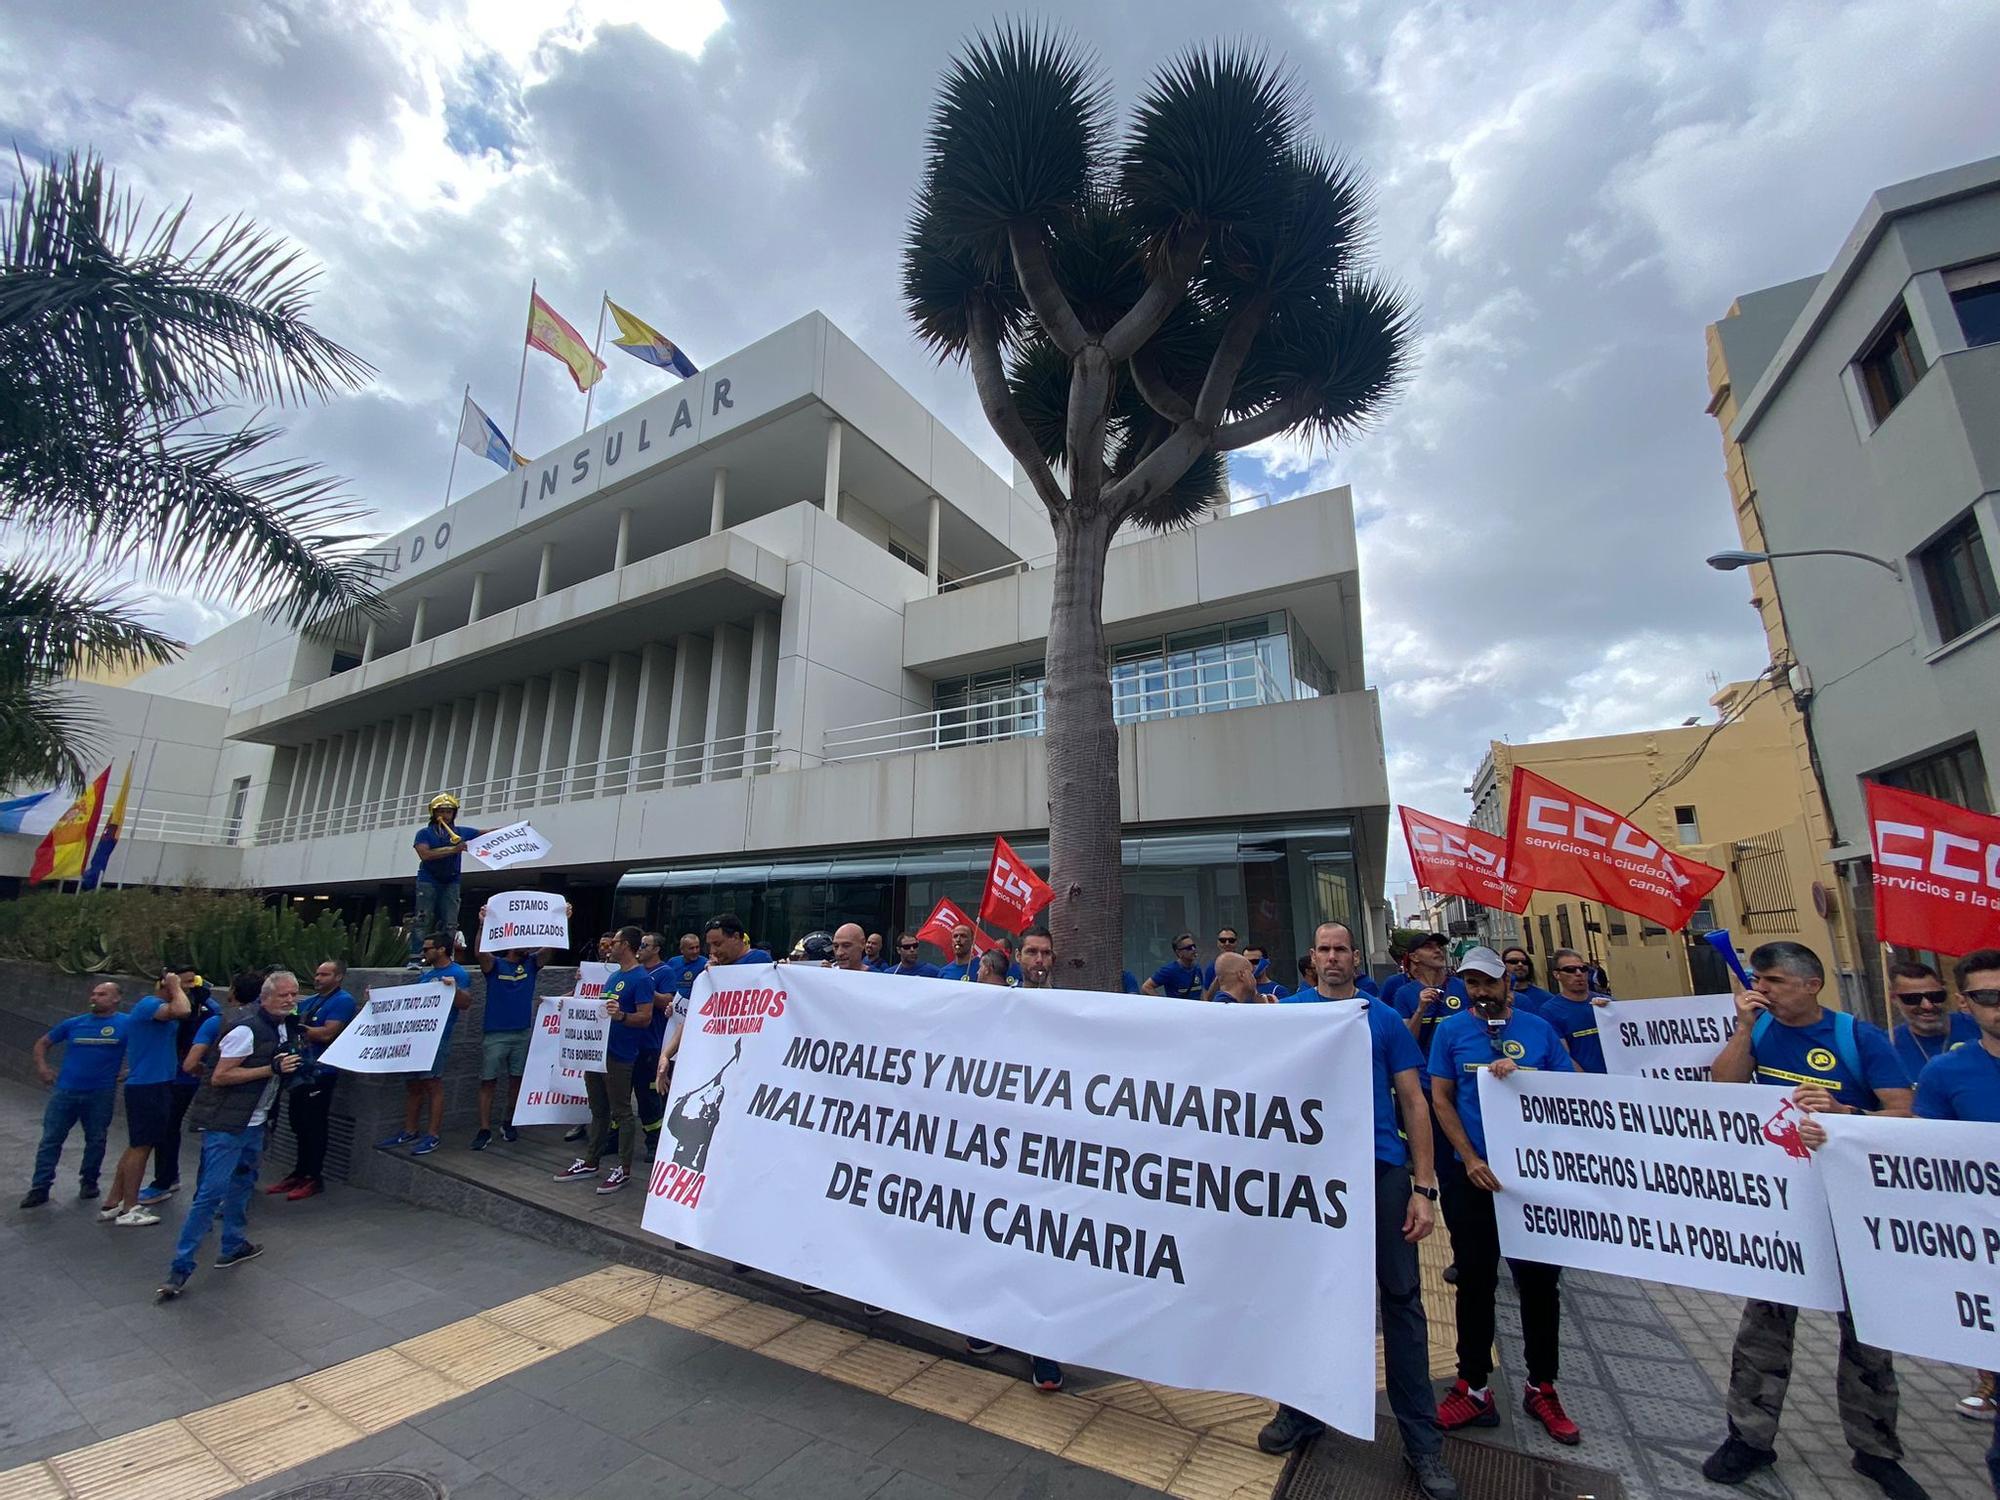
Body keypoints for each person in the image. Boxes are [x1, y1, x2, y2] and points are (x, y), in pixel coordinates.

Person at [1702, 942, 1921, 1499]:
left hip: (1852, 1207)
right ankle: (1749, 1438)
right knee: (1763, 1330)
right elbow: (1722, 1088)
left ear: (1810, 984)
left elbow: (1902, 1112)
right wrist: (1743, 1029)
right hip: (1785, 1205)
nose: (1764, 989)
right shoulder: (1763, 1031)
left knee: (1867, 1334)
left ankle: (1875, 1448)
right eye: (1760, 980)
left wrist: (1847, 1116)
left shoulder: (1857, 1037)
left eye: (1773, 981)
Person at [1259, 921, 1458, 1500]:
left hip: (1379, 1172)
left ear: (1354, 958)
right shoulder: (1289, 1014)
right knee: (1306, 1301)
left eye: (1340, 949)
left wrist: (1424, 1187)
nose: (1331, 958)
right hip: (1312, 1180)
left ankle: (1423, 1445)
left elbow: (1414, 1101)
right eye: (1321, 949)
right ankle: (1303, 1410)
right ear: (1311, 959)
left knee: (1401, 1304)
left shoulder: (1384, 1019)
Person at [1428, 946, 1581, 1445]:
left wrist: (1528, 1081)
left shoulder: (1537, 1029)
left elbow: (1575, 1088)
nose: (1481, 993)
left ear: (1507, 984)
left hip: (1534, 1182)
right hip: (1473, 1180)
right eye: (1471, 984)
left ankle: (1542, 1386)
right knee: (1474, 1281)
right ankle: (1473, 1385)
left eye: (1489, 983)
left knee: (1539, 1286)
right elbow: (1440, 1098)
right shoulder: (1451, 1032)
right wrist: (1469, 1158)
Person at [158, 970, 304, 1300]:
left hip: (255, 1121)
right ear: (265, 997)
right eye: (284, 995)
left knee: (242, 1182)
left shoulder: (282, 1026)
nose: (291, 1000)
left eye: (294, 994)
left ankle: (234, 1243)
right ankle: (180, 1268)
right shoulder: (246, 1029)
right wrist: (272, 1069)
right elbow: (220, 1077)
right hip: (229, 1124)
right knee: (211, 1193)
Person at [1904, 950, 2000, 1445]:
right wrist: (1836, 1126)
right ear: (1965, 1005)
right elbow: (1925, 1155)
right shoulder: (1946, 1072)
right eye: (1988, 997)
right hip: (1987, 1237)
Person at [965, 924, 1065, 1393]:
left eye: (1046, 953)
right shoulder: (993, 999)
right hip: (997, 1139)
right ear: (1018, 957)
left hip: (1049, 1147)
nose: (1039, 959)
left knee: (1040, 1241)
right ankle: (989, 1320)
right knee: (992, 1229)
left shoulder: (1076, 1008)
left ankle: (1042, 1347)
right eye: (1032, 952)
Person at [557, 926, 654, 1194]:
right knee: (598, 1108)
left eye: (616, 941)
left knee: (621, 1111)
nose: (610, 945)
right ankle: (591, 1160)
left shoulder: (641, 979)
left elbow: (645, 1017)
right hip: (597, 1051)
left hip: (620, 1055)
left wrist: (622, 1016)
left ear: (628, 945)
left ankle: (623, 1167)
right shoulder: (613, 978)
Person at [21, 981, 128, 1209]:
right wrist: (42, 1067)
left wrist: (130, 1072)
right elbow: (43, 1043)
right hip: (66, 1091)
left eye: (102, 994)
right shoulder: (74, 1023)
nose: (95, 997)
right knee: (51, 1139)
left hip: (100, 1093)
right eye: (94, 993)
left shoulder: (125, 1024)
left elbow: (144, 1048)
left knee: (96, 1139)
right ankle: (40, 1187)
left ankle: (89, 1182)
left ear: (116, 999)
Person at [99, 971, 194, 1225]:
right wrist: (175, 985)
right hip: (149, 1087)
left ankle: (113, 1201)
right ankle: (130, 1207)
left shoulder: (157, 1011)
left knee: (137, 1145)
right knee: (142, 1147)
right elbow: (183, 1010)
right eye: (185, 983)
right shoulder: (150, 1005)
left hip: (154, 1082)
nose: (188, 989)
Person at [266, 959, 356, 1200]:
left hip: (321, 1073)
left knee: (314, 1126)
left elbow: (327, 1033)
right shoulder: (310, 1001)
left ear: (338, 977)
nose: (318, 978)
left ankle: (314, 1177)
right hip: (299, 1072)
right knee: (298, 1123)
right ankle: (300, 1171)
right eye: (316, 974)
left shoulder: (342, 1000)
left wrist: (298, 1029)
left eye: (324, 975)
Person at [376, 933, 474, 1156]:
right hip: (417, 1039)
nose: (424, 952)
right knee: (413, 1085)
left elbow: (466, 1003)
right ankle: (410, 1130)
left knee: (433, 1085)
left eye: (428, 949)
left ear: (441, 950)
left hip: (437, 1039)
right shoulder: (427, 975)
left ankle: (433, 1134)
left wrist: (453, 989)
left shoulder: (457, 973)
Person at [473, 916, 559, 1150]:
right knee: (488, 1081)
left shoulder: (531, 964)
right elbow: (481, 953)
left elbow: (548, 950)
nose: (528, 946)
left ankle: (509, 1121)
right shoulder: (495, 965)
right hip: (495, 1034)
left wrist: (560, 920)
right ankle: (484, 1128)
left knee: (516, 1080)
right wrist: (482, 924)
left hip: (521, 1033)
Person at [141, 967, 219, 1207]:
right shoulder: (164, 1006)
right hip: (172, 1075)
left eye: (188, 982)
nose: (184, 987)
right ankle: (166, 1177)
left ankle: (194, 1187)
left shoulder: (207, 1008)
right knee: (166, 1128)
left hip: (192, 1076)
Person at [409, 793, 480, 964]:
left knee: (451, 922)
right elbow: (424, 854)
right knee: (423, 918)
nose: (445, 815)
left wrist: (516, 829)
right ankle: (416, 957)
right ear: (433, 813)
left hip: (452, 880)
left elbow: (485, 833)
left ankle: (446, 956)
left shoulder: (460, 832)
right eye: (441, 811)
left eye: (449, 812)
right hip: (428, 880)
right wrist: (452, 849)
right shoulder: (424, 833)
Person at [1886, 959, 1979, 1081]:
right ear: (1893, 998)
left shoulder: (1980, 1027)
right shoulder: (1887, 1045)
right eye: (1912, 998)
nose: (1927, 1005)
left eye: (1935, 996)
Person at [1540, 948, 1607, 1072]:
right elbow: (1563, 1055)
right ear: (1557, 975)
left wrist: (1613, 1012)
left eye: (1583, 969)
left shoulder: (1608, 1003)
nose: (1578, 973)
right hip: (1587, 1084)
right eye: (1570, 970)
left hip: (1620, 1079)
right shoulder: (1550, 1011)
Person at [1143, 933, 1205, 997]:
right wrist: (1164, 1002)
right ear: (1179, 952)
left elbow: (1201, 992)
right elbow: (1146, 987)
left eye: (1194, 946)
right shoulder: (1169, 970)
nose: (1193, 949)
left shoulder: (1197, 968)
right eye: (1189, 948)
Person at [1501, 946, 1555, 1018]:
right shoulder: (1498, 998)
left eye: (1524, 962)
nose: (1520, 964)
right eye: (1513, 961)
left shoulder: (1546, 998)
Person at [1200, 925, 1243, 999]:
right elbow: (1206, 998)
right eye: (1223, 940)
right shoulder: (1211, 967)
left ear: (1236, 943)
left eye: (1231, 940)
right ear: (1218, 943)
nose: (1227, 943)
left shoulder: (1244, 965)